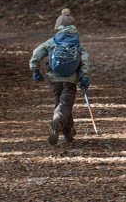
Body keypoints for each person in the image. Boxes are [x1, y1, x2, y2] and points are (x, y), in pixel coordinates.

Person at [29, 8, 90, 145]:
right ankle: (57, 124)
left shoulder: (52, 41)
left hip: (55, 78)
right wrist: (84, 77)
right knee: (65, 104)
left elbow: (36, 53)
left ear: (58, 27)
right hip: (71, 79)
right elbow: (84, 60)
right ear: (73, 27)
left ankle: (67, 132)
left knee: (61, 103)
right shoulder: (76, 43)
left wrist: (35, 69)